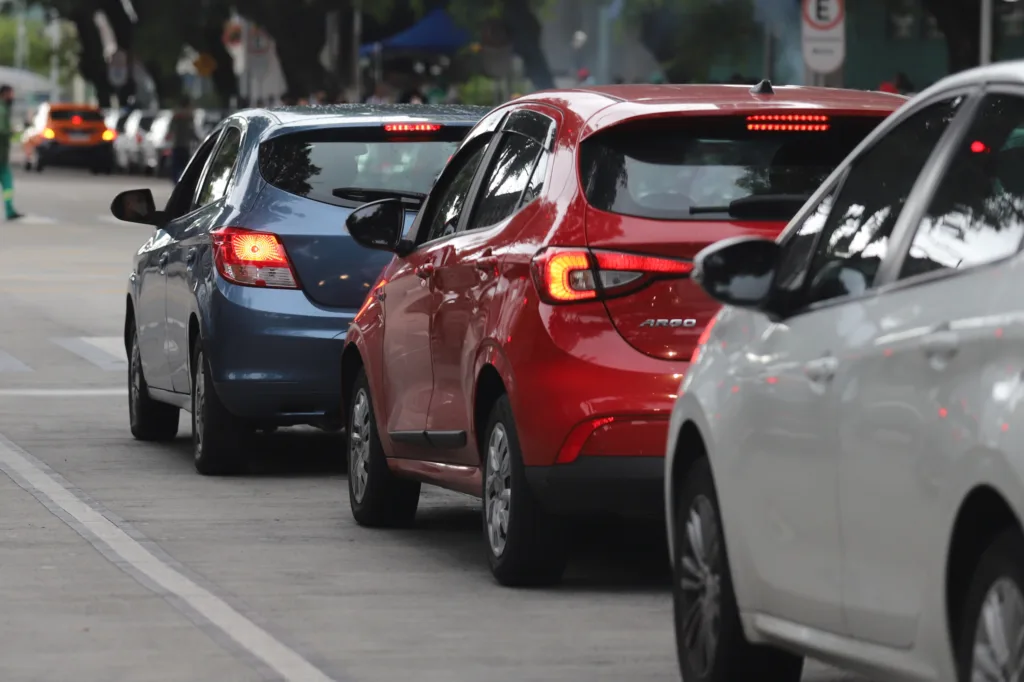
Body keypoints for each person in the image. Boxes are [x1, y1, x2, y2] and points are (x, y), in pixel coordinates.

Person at [0, 85, 22, 221]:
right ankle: (9, 210)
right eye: (10, 94)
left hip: (2, 155)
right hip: (1, 154)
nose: (12, 97)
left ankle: (10, 209)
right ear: (3, 94)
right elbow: (2, 130)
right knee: (7, 182)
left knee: (8, 183)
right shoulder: (2, 110)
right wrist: (11, 132)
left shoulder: (4, 109)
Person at [167, 95, 197, 184]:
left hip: (177, 145)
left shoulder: (176, 115)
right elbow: (192, 131)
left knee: (176, 169)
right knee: (184, 168)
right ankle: (182, 184)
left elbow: (170, 130)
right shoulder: (189, 116)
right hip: (185, 146)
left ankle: (177, 185)